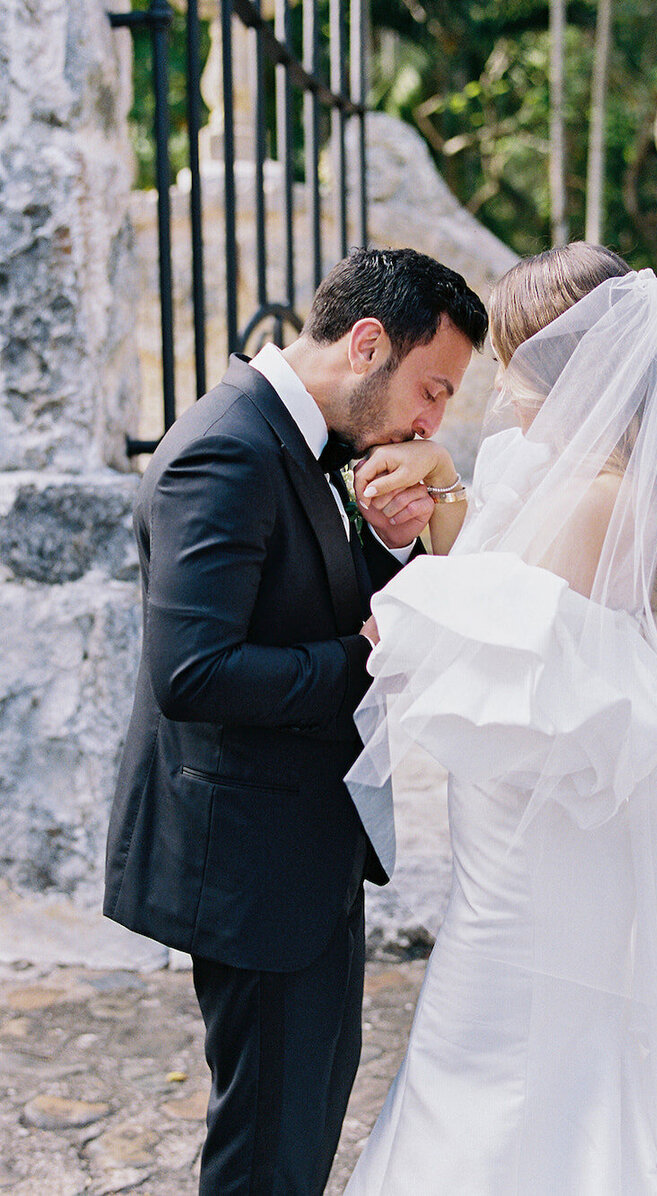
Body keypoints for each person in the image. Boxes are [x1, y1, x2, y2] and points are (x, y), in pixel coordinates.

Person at [344, 243, 657, 1193]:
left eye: (514, 360)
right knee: (546, 1056)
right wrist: (447, 488)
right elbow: (498, 571)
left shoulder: (598, 503)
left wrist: (392, 614)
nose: (499, 382)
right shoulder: (585, 479)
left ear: (569, 369)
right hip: (538, 830)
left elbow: (482, 622)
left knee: (495, 1057)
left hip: (531, 858)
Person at [103, 247, 488, 1196]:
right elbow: (193, 672)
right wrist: (373, 652)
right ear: (367, 346)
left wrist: (391, 555)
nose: (432, 424)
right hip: (247, 863)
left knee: (304, 1121)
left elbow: (305, 600)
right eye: (432, 391)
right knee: (267, 1151)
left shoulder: (308, 440)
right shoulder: (227, 446)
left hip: (300, 850)